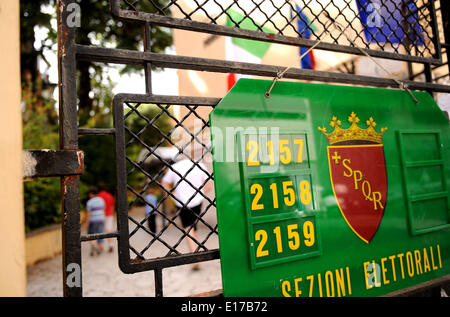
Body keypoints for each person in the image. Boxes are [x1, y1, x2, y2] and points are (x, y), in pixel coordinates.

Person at [161, 156, 210, 270]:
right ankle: (197, 251)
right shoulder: (200, 166)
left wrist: (172, 194)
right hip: (197, 201)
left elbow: (164, 183)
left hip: (181, 202)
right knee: (193, 227)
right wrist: (200, 195)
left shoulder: (175, 167)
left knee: (188, 228)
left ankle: (195, 256)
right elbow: (208, 185)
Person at [85, 187, 106, 256]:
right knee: (100, 233)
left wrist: (87, 223)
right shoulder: (101, 200)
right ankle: (99, 248)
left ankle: (93, 246)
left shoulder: (90, 202)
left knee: (91, 234)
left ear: (91, 194)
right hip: (101, 219)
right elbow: (103, 210)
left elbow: (88, 213)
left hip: (93, 220)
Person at [97, 183, 115, 253]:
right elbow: (112, 206)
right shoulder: (109, 195)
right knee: (109, 230)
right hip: (109, 214)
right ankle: (111, 245)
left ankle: (100, 246)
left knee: (100, 230)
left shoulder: (98, 196)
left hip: (101, 215)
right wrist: (112, 214)